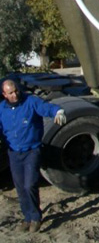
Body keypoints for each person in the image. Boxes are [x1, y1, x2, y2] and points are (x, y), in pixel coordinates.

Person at [0, 78, 67, 233]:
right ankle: (27, 217)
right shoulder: (1, 109)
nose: (15, 95)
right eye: (10, 93)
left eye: (16, 91)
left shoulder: (30, 102)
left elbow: (46, 108)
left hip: (32, 150)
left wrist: (58, 111)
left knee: (29, 185)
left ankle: (36, 217)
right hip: (14, 153)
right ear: (4, 94)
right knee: (20, 188)